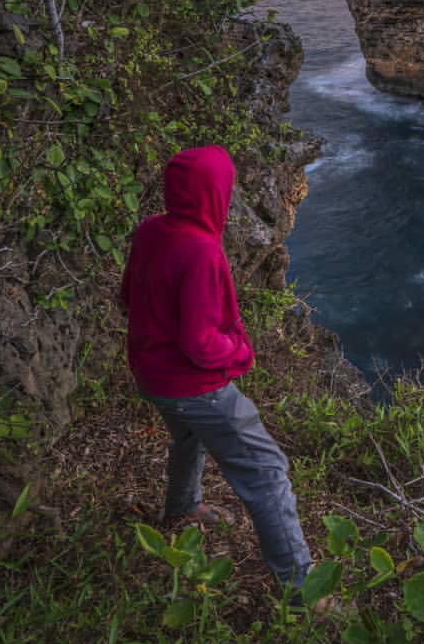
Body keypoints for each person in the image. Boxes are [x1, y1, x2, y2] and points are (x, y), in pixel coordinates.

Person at [120, 144, 313, 597]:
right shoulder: (202, 252)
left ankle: (181, 509)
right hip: (194, 386)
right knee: (266, 472)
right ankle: (302, 589)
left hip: (152, 375)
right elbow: (201, 345)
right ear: (215, 193)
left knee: (189, 436)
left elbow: (126, 298)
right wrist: (240, 352)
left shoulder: (150, 231)